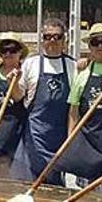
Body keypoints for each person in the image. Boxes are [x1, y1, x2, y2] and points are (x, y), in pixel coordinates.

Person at [55, 23, 102, 186]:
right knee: (88, 197)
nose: (100, 46)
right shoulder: (82, 74)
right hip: (89, 141)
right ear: (89, 46)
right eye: (95, 42)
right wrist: (70, 141)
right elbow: (73, 110)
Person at [19, 19, 77, 185]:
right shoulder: (31, 64)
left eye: (57, 37)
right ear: (42, 39)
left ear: (64, 40)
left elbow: (75, 107)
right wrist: (12, 83)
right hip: (35, 135)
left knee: (56, 182)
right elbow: (17, 97)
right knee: (34, 179)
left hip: (60, 136)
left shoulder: (73, 66)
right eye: (48, 36)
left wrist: (71, 137)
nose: (52, 41)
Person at [0, 34, 27, 178]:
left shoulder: (25, 71)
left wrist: (13, 84)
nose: (8, 54)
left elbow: (18, 97)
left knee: (17, 169)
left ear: (20, 52)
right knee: (0, 165)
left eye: (13, 50)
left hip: (16, 127)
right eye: (5, 50)